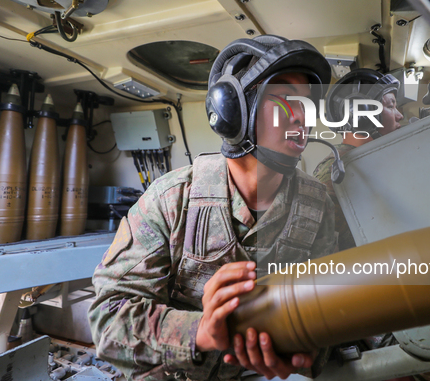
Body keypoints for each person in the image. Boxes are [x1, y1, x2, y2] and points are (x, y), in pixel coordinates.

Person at [88, 35, 337, 381]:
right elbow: (107, 320)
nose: (303, 117)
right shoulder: (170, 200)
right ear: (234, 111)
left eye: (307, 104)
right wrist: (198, 332)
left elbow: (327, 307)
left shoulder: (318, 205)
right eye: (285, 100)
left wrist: (305, 349)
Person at [313, 68, 403, 251]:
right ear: (363, 115)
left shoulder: (370, 161)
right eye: (391, 106)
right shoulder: (335, 171)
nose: (400, 115)